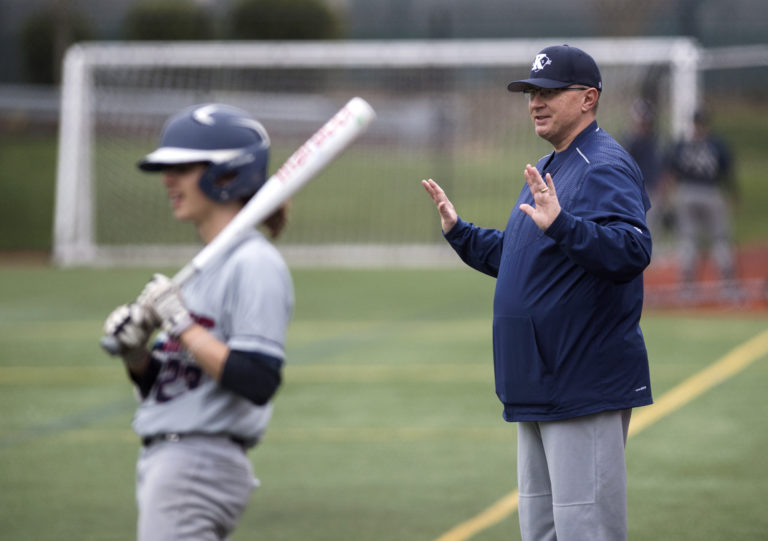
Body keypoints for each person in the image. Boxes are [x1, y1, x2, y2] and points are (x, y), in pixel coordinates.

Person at [422, 45, 653, 541]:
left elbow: (632, 250)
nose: (535, 102)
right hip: (538, 384)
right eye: (531, 92)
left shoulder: (601, 164)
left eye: (548, 92)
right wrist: (461, 232)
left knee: (586, 531)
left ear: (588, 98)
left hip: (581, 384)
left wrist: (565, 225)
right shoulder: (552, 164)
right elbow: (523, 260)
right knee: (543, 533)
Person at [103, 103, 294, 541]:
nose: (168, 181)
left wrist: (181, 324)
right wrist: (136, 354)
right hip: (174, 461)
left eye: (183, 167)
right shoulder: (205, 269)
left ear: (227, 175)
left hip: (196, 464)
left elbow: (258, 378)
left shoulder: (254, 263)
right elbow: (171, 388)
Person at [665, 109, 737, 290]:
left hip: (686, 192)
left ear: (693, 124)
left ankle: (687, 288)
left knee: (688, 240)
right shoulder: (717, 144)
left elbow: (672, 173)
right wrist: (732, 195)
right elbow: (727, 172)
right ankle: (728, 286)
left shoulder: (683, 144)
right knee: (720, 239)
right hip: (711, 192)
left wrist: (670, 199)